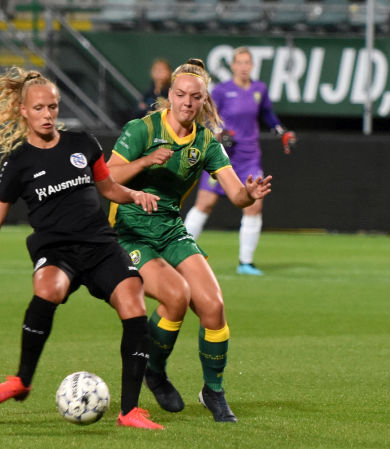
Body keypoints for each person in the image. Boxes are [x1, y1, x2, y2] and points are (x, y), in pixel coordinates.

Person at [0, 67, 164, 430]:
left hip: (100, 245)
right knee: (48, 288)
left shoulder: (83, 144)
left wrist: (134, 194)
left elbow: (107, 189)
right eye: (39, 108)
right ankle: (22, 380)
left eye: (53, 107)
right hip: (57, 249)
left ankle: (130, 411)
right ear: (23, 110)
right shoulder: (17, 163)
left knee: (134, 304)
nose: (47, 115)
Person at [107, 58, 273, 422]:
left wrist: (250, 193)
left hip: (170, 229)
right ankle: (154, 370)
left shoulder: (207, 143)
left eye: (195, 97)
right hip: (130, 230)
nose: (186, 102)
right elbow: (107, 175)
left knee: (213, 306)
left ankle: (213, 392)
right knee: (176, 297)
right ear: (169, 95)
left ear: (203, 101)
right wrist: (145, 162)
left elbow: (235, 193)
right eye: (180, 94)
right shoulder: (142, 129)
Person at [184, 47, 296, 276]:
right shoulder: (222, 91)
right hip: (222, 157)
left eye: (247, 63)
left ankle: (246, 262)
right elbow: (206, 118)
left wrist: (280, 132)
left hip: (249, 157)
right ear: (233, 65)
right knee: (204, 204)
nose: (244, 67)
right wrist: (219, 134)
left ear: (252, 66)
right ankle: (179, 252)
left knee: (255, 205)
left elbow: (267, 115)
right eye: (240, 63)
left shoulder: (259, 89)